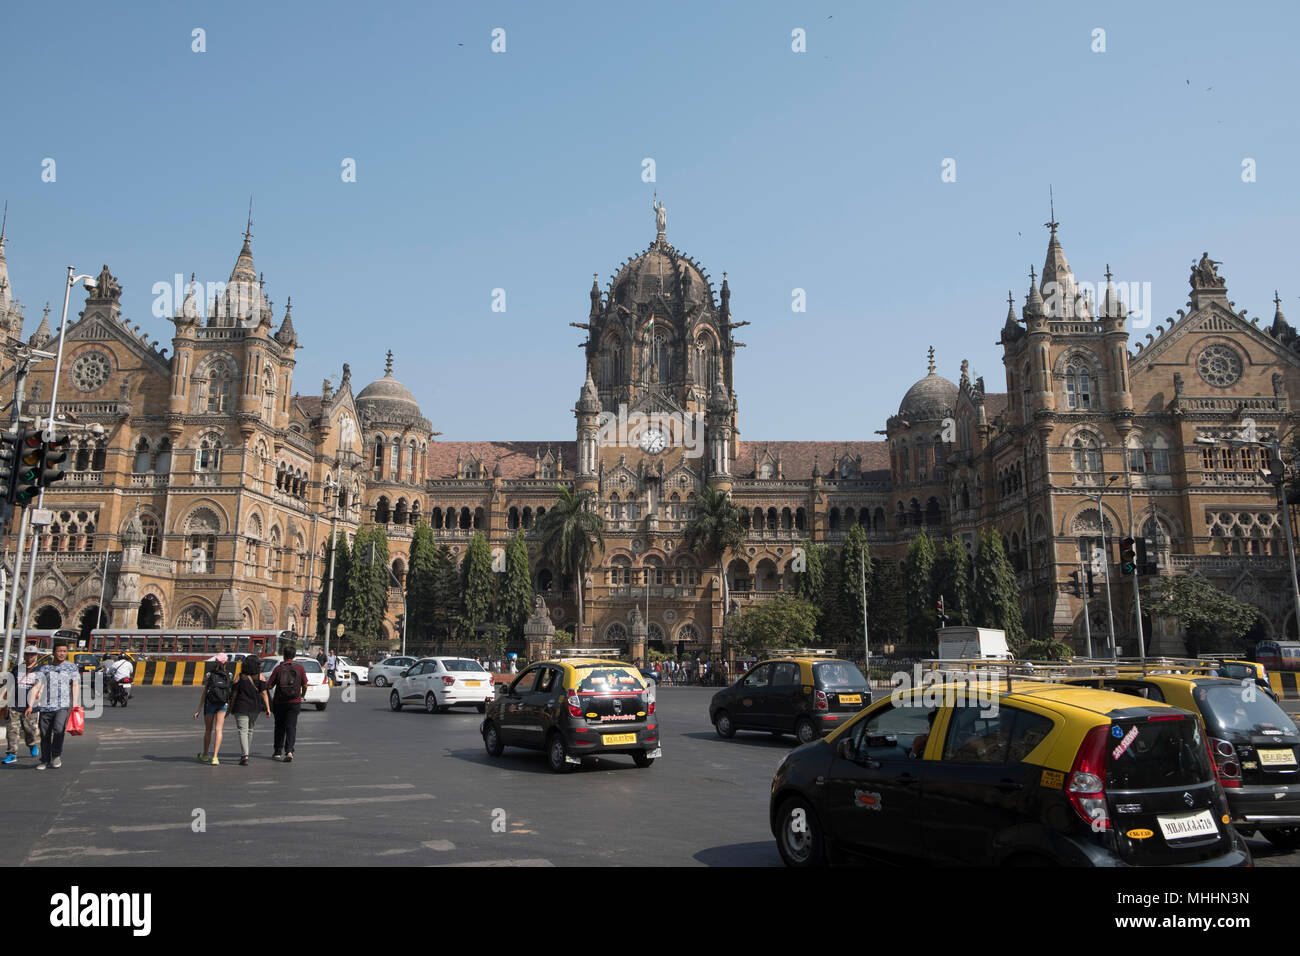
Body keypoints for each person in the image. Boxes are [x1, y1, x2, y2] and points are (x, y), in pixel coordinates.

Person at [23, 640, 81, 770]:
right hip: (45, 706)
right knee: (45, 734)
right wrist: (30, 705)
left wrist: (75, 703)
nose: (62, 654)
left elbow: (75, 685)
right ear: (54, 652)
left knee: (59, 730)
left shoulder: (71, 667)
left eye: (64, 651)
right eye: (59, 651)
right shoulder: (45, 668)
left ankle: (56, 756)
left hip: (63, 706)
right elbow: (36, 687)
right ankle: (45, 760)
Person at [267, 646, 309, 763]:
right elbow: (305, 685)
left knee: (279, 726)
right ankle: (289, 751)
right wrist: (302, 695)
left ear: (284, 655)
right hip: (294, 702)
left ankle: (277, 752)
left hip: (279, 702)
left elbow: (269, 685)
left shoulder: (278, 669)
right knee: (291, 726)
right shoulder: (300, 668)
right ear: (294, 655)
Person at [229, 655, 271, 765]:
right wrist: (268, 708)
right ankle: (246, 753)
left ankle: (245, 755)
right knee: (250, 730)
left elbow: (234, 694)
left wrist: (230, 708)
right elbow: (264, 693)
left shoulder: (239, 677)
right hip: (255, 708)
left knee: (242, 730)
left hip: (241, 707)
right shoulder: (261, 677)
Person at [3, 645, 42, 764]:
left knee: (29, 729)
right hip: (14, 704)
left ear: (36, 656)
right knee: (12, 730)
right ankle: (11, 753)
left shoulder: (40, 670)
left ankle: (31, 744)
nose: (29, 657)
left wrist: (39, 693)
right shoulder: (17, 669)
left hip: (31, 706)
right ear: (24, 655)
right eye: (27, 655)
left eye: (32, 655)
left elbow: (42, 685)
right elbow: (9, 684)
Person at [195, 654, 233, 765]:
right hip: (223, 704)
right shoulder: (229, 675)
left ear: (215, 662)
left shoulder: (209, 674)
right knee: (219, 730)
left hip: (210, 703)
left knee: (208, 730)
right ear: (226, 663)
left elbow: (205, 692)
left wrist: (199, 708)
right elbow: (229, 691)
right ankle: (215, 757)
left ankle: (205, 755)